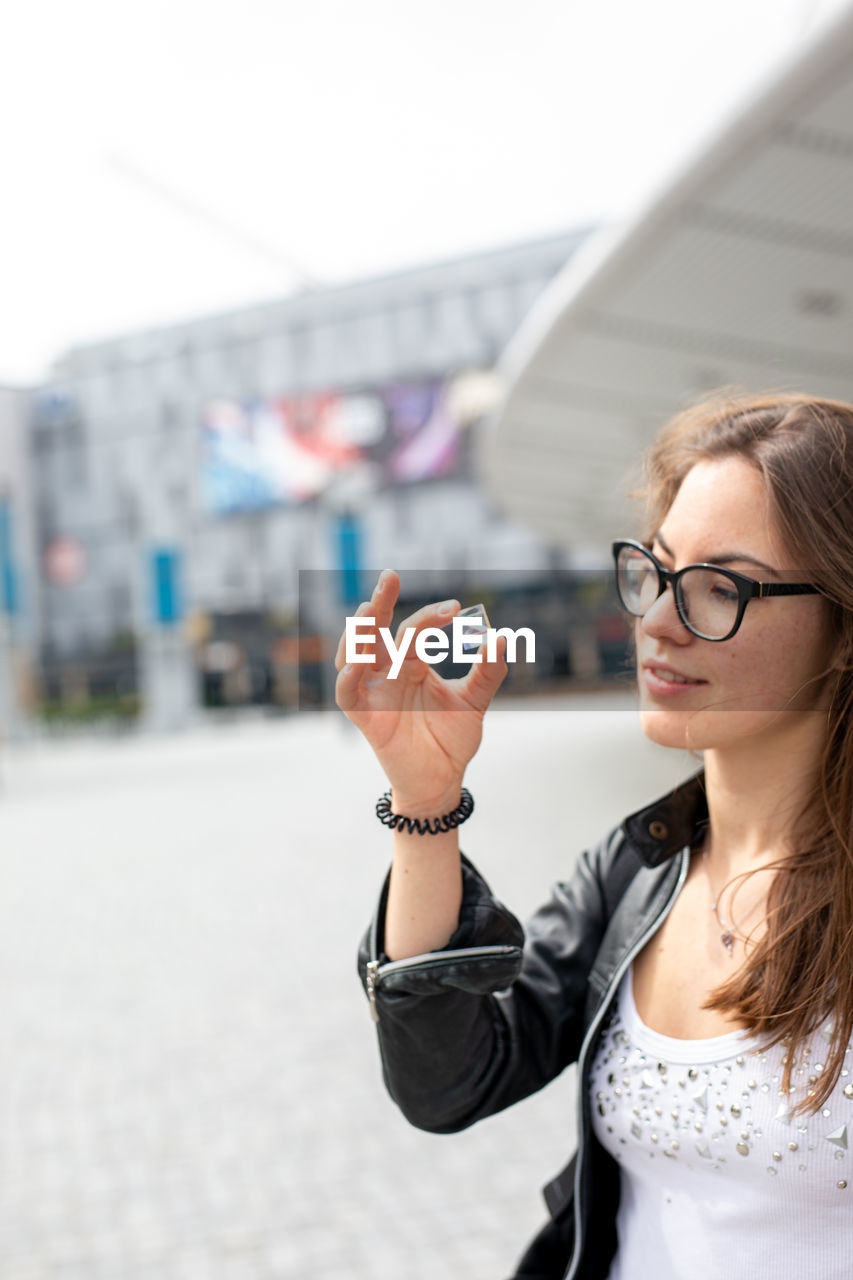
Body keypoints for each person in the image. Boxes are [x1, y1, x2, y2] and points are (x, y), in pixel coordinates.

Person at [335, 390, 853, 1280]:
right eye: (653, 572)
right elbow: (450, 1083)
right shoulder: (640, 868)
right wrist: (424, 805)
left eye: (719, 588)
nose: (655, 622)